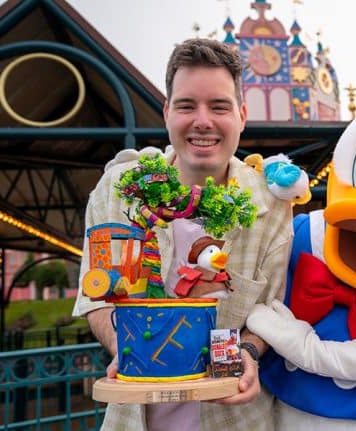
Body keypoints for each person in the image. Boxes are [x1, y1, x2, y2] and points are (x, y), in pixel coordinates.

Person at [72, 38, 293, 431]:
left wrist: (246, 351)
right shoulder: (118, 188)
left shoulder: (272, 205)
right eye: (187, 105)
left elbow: (273, 309)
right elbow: (97, 297)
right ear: (167, 113)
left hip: (237, 418)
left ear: (242, 115)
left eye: (219, 106)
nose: (203, 121)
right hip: (132, 418)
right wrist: (125, 350)